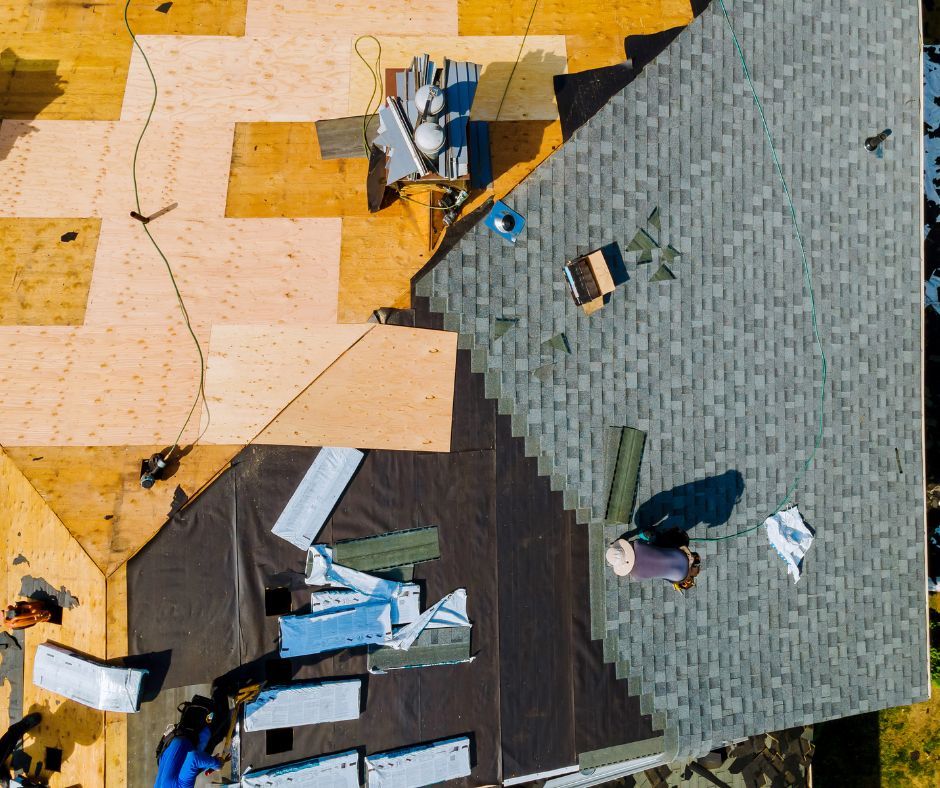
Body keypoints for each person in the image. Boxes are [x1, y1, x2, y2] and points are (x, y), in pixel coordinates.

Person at [153, 725, 222, 788]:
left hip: (192, 735)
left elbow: (193, 758)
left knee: (219, 728)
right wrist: (208, 765)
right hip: (172, 739)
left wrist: (217, 764)